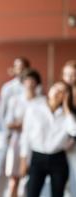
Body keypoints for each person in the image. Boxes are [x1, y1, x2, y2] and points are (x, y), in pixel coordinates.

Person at [19, 81, 76, 197]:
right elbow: (25, 136)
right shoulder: (34, 108)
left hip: (58, 158)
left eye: (62, 92)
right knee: (31, 193)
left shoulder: (68, 115)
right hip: (37, 157)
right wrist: (23, 160)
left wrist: (66, 108)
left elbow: (74, 130)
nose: (57, 92)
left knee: (58, 194)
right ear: (50, 89)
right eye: (55, 88)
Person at [4, 69, 43, 197]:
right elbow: (8, 122)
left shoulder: (42, 101)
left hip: (36, 142)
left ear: (37, 83)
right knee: (14, 177)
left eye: (33, 80)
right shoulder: (15, 100)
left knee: (30, 178)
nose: (30, 83)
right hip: (17, 140)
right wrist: (23, 125)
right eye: (27, 80)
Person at [0, 57, 30, 197]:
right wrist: (7, 132)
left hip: (26, 135)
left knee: (23, 171)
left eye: (22, 66)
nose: (20, 69)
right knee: (3, 170)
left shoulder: (32, 86)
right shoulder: (8, 87)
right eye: (17, 66)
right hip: (9, 135)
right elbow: (1, 113)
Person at [61, 60, 76, 197]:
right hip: (62, 140)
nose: (69, 78)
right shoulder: (60, 91)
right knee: (63, 176)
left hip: (74, 140)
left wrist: (73, 138)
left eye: (72, 74)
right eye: (66, 74)